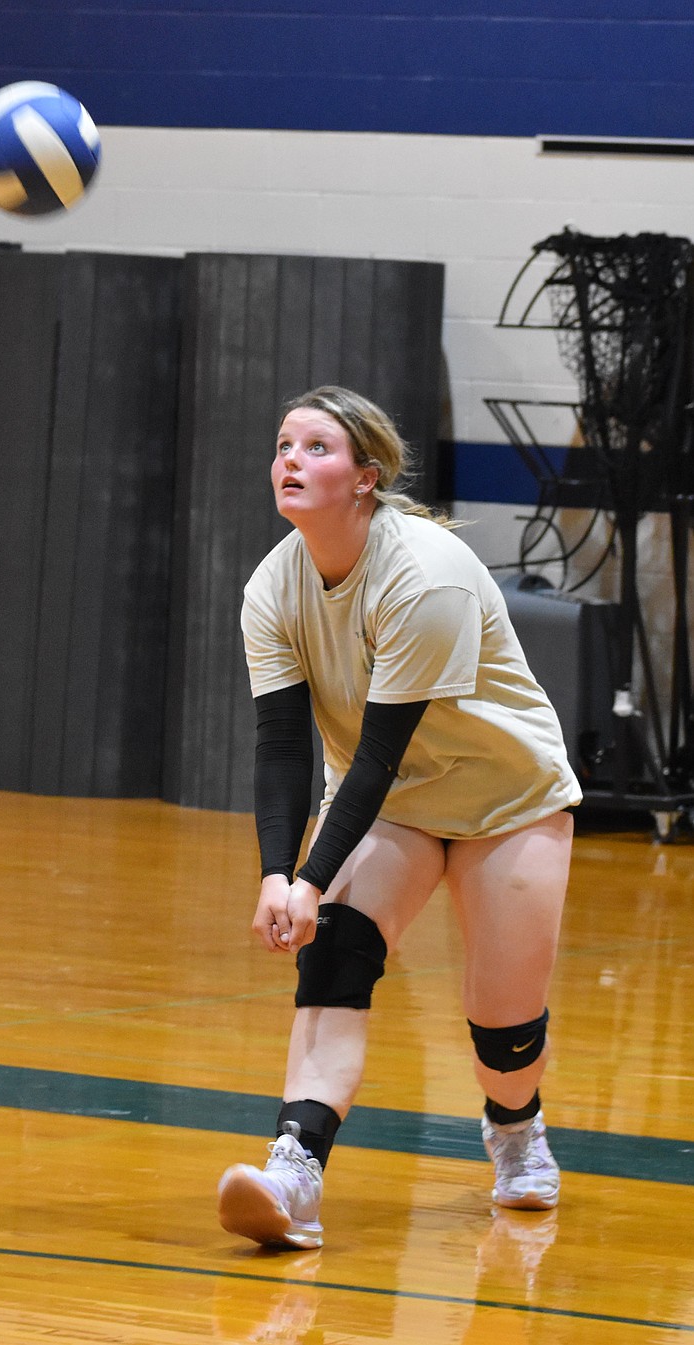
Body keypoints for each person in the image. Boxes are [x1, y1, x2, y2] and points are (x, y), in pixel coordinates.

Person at [216, 386, 581, 1251]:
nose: (291, 460)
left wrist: (309, 873)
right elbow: (282, 747)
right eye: (282, 444)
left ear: (367, 478)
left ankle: (516, 1127)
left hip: (506, 798)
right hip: (398, 806)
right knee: (334, 950)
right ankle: (294, 1170)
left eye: (316, 447)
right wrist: (280, 873)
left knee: (504, 1025)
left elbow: (378, 751)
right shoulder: (273, 585)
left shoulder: (425, 571)